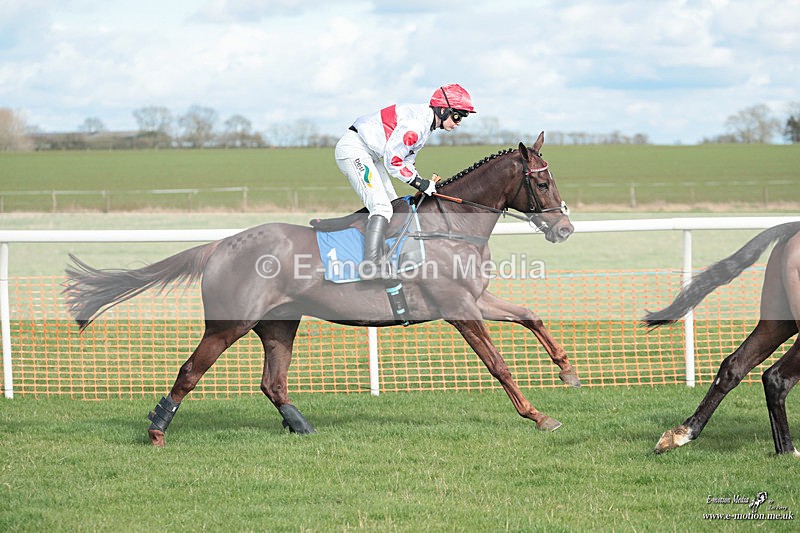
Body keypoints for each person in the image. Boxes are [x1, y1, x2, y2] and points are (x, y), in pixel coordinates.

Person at [335, 83, 476, 279]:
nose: (459, 122)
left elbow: (406, 160)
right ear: (443, 110)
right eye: (457, 116)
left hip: (371, 154)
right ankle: (371, 266)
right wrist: (420, 184)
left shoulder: (425, 124)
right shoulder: (416, 126)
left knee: (395, 207)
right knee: (382, 208)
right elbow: (394, 162)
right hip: (355, 150)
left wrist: (421, 181)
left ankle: (386, 256)